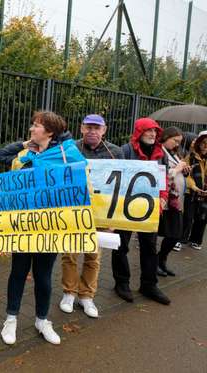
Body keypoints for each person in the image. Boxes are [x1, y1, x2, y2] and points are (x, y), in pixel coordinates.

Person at [0, 111, 87, 345]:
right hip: (24, 225)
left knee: (43, 276)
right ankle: (11, 319)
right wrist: (27, 145)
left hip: (51, 226)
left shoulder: (68, 155)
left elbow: (82, 185)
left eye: (36, 126)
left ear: (49, 132)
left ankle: (42, 320)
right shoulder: (24, 154)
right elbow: (7, 169)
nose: (31, 129)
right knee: (18, 272)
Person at [60, 114, 123, 318]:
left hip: (100, 214)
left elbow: (121, 188)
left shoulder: (115, 152)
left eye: (97, 128)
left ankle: (86, 296)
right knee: (70, 253)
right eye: (89, 127)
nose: (92, 131)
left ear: (104, 130)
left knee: (93, 256)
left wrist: (114, 219)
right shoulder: (70, 149)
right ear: (81, 128)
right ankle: (69, 292)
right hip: (72, 210)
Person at [113, 118, 170, 305]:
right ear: (139, 132)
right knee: (121, 245)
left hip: (150, 207)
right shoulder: (125, 151)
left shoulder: (161, 154)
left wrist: (163, 197)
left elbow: (164, 178)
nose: (153, 134)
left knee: (150, 247)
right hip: (126, 205)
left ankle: (149, 284)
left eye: (155, 131)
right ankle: (122, 283)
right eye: (148, 131)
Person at [157, 127, 190, 276]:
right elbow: (161, 175)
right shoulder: (159, 152)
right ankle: (158, 262)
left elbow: (176, 171)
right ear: (166, 137)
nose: (177, 144)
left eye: (179, 142)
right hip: (166, 200)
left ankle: (161, 260)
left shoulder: (172, 153)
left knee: (175, 234)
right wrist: (177, 168)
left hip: (175, 200)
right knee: (172, 234)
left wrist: (184, 170)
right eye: (175, 141)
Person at [185, 131, 207, 251]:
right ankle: (181, 239)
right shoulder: (191, 157)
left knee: (202, 217)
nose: (205, 146)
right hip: (191, 192)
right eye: (203, 143)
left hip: (205, 194)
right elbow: (186, 175)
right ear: (198, 144)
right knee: (188, 216)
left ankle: (196, 240)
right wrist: (194, 187)